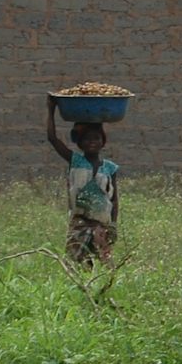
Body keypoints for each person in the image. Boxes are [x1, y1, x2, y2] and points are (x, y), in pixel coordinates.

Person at [46, 102, 120, 266]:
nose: (91, 142)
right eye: (86, 139)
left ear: (103, 142)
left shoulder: (110, 168)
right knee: (77, 265)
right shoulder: (76, 161)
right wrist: (51, 109)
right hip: (79, 225)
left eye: (96, 138)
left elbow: (114, 200)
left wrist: (113, 225)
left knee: (107, 266)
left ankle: (105, 290)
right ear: (80, 142)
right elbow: (52, 138)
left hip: (102, 226)